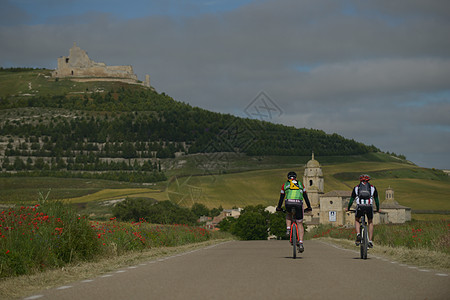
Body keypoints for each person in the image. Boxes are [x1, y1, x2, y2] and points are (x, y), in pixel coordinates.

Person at [276, 171, 312, 253]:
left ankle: (288, 229)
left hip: (288, 202)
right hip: (299, 203)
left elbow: (281, 197)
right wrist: (309, 207)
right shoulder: (301, 184)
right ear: (296, 177)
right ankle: (301, 243)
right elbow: (305, 197)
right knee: (299, 223)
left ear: (288, 178)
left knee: (288, 214)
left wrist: (279, 207)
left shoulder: (285, 185)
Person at [346, 174, 380, 248]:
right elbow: (376, 200)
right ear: (368, 180)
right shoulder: (373, 188)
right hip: (369, 207)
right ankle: (370, 241)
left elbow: (351, 199)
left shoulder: (356, 188)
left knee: (357, 220)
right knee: (370, 222)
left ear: (360, 180)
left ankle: (358, 234)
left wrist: (348, 208)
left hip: (360, 206)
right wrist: (377, 209)